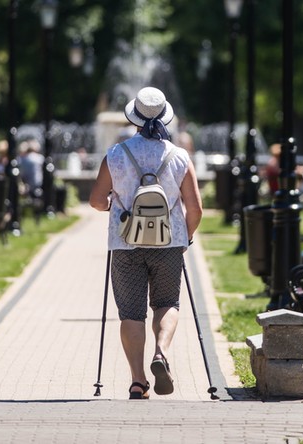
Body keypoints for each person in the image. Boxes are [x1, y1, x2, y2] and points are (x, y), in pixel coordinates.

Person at [90, 87, 203, 400]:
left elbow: (96, 201)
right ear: (164, 117)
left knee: (131, 312)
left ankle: (138, 381)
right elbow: (195, 209)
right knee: (167, 303)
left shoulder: (116, 155)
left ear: (134, 118)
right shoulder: (179, 156)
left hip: (125, 243)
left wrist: (113, 204)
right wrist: (186, 237)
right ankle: (161, 352)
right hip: (168, 243)